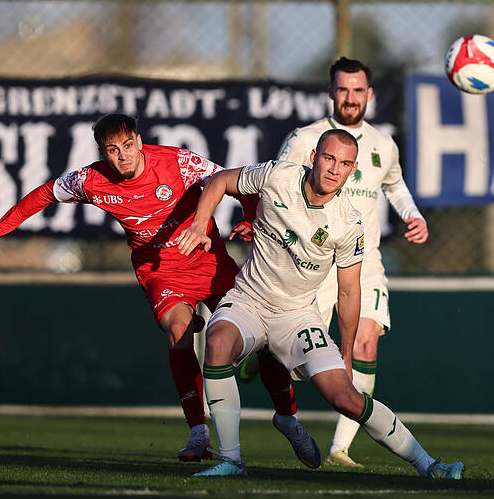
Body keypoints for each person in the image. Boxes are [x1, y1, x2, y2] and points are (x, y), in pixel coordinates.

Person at [0, 113, 260, 463]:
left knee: (253, 333)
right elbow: (47, 193)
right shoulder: (91, 180)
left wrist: (249, 219)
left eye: (127, 145)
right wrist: (3, 225)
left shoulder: (179, 162)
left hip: (207, 260)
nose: (123, 155)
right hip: (160, 270)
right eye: (113, 150)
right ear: (103, 153)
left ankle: (286, 415)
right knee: (178, 331)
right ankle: (198, 432)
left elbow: (237, 183)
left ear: (138, 141)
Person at [176, 129, 463, 479]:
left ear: (352, 169)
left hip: (297, 316)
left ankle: (429, 466)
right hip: (249, 300)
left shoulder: (348, 222)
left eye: (344, 163)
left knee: (345, 398)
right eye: (328, 158)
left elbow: (349, 292)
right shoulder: (277, 175)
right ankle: (232, 461)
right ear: (313, 157)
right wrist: (199, 225)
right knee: (218, 341)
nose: (334, 169)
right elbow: (220, 180)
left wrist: (346, 355)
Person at [272, 56, 427, 468]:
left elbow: (395, 185)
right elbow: (275, 186)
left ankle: (341, 448)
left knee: (365, 342)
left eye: (358, 90)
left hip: (363, 261)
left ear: (369, 94)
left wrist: (413, 215)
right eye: (343, 89)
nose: (351, 98)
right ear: (331, 92)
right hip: (311, 262)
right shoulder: (305, 139)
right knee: (295, 360)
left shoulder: (383, 144)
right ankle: (273, 377)